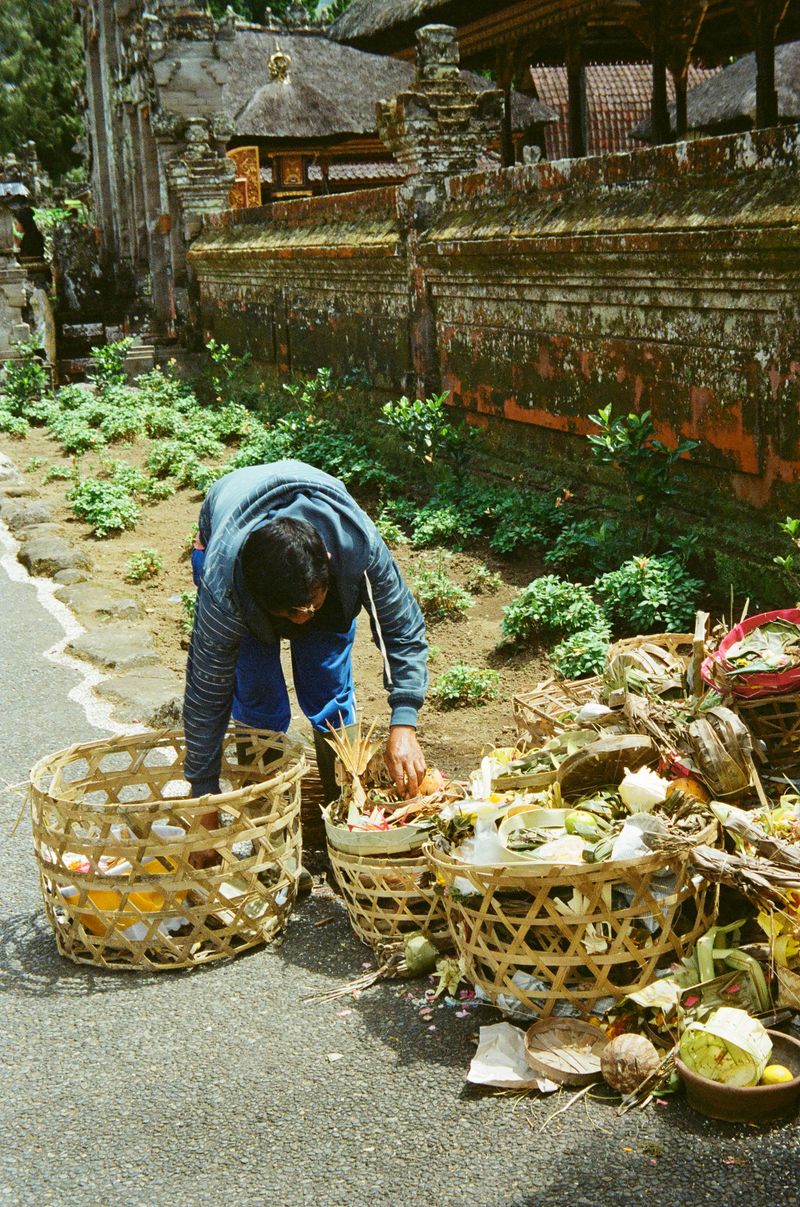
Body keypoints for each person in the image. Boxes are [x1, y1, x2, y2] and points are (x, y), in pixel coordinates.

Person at [183, 459, 429, 817]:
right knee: (256, 698)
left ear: (327, 562)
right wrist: (203, 791)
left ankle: (344, 808)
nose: (301, 620)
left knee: (328, 689)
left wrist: (404, 721)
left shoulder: (356, 546)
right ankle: (265, 818)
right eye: (289, 613)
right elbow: (207, 688)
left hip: (323, 557)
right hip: (226, 527)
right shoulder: (225, 586)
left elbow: (402, 631)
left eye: (310, 607)